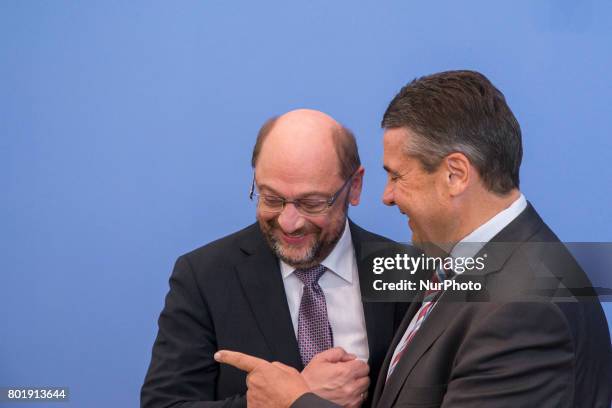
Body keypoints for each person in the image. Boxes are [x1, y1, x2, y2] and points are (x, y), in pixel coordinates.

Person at [215, 70, 612, 407]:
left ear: (455, 174)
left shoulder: (525, 309)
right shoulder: (465, 267)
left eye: (397, 175)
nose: (386, 196)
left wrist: (297, 401)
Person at [141, 109, 414, 408]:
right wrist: (274, 402)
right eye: (271, 198)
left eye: (311, 203)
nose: (289, 222)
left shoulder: (406, 269)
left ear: (355, 187)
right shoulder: (204, 276)